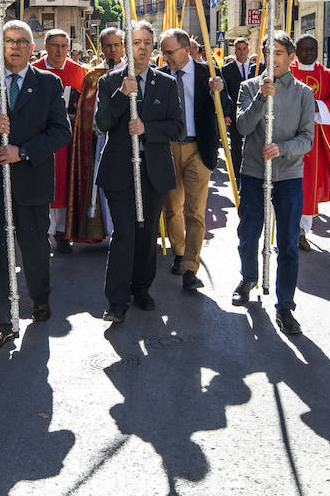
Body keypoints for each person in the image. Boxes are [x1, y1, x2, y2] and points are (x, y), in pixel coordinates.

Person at [0, 19, 70, 352]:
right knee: (0, 253)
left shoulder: (48, 84)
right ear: (1, 45)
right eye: (9, 41)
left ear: (32, 47)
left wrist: (22, 152)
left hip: (33, 181)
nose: (16, 47)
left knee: (35, 249)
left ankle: (39, 296)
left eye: (22, 41)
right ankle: (3, 323)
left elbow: (60, 132)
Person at [95, 21, 183, 323]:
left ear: (153, 47)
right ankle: (116, 300)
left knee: (146, 235)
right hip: (119, 171)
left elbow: (177, 127)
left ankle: (141, 288)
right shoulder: (109, 82)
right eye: (135, 42)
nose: (141, 48)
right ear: (126, 47)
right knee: (124, 233)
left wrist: (147, 129)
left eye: (147, 42)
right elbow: (102, 123)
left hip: (153, 171)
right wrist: (122, 94)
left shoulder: (167, 83)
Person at [231, 32, 315, 336]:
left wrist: (283, 148)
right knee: (248, 231)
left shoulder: (304, 93)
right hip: (254, 171)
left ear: (290, 57)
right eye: (269, 52)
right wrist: (260, 98)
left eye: (279, 52)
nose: (274, 58)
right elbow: (242, 126)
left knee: (289, 242)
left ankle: (285, 305)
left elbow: (307, 138)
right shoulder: (248, 87)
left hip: (289, 174)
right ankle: (249, 277)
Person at [158, 28, 225, 291]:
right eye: (163, 52)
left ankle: (190, 266)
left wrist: (217, 92)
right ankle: (178, 251)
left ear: (187, 50)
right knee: (172, 207)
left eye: (170, 52)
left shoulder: (208, 75)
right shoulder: (160, 76)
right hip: (169, 148)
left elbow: (226, 109)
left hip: (199, 149)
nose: (166, 57)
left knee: (195, 211)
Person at [291, 34, 330, 251]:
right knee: (284, 185)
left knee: (308, 186)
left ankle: (301, 231)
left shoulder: (328, 77)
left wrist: (318, 107)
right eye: (303, 49)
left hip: (315, 141)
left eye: (312, 49)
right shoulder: (286, 72)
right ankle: (283, 230)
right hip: (287, 138)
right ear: (295, 51)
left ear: (318, 50)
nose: (308, 53)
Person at [67, 27, 124, 245]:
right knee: (103, 189)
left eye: (116, 45)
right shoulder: (93, 77)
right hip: (101, 142)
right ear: (101, 48)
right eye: (108, 45)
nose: (113, 50)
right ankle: (108, 231)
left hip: (128, 141)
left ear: (123, 46)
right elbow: (86, 113)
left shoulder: (133, 71)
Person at [31, 29, 87, 253]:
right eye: (55, 46)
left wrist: (78, 115)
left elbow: (87, 105)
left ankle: (64, 233)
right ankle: (43, 232)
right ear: (46, 47)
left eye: (64, 46)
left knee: (66, 184)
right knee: (43, 184)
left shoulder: (78, 71)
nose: (60, 50)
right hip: (42, 139)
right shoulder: (34, 71)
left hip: (68, 141)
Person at [219, 37, 256, 187]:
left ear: (248, 50)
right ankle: (237, 174)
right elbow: (224, 92)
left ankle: (251, 172)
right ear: (234, 51)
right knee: (236, 144)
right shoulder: (227, 70)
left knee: (253, 143)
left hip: (254, 112)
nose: (241, 52)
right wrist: (226, 113)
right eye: (238, 49)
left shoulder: (256, 68)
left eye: (244, 49)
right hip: (235, 113)